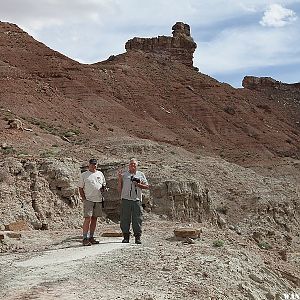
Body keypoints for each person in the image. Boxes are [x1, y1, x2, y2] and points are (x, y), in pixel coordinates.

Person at [118, 158, 149, 244]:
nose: (133, 165)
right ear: (129, 165)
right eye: (131, 164)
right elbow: (119, 189)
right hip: (126, 199)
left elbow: (147, 186)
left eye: (134, 164)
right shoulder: (124, 175)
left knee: (137, 219)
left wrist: (138, 184)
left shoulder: (141, 174)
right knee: (125, 219)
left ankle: (137, 237)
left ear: (137, 166)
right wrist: (119, 179)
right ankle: (126, 237)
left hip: (137, 200)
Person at [78, 158, 106, 246]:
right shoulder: (84, 175)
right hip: (89, 200)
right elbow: (80, 188)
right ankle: (85, 238)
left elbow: (103, 184)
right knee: (88, 218)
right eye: (92, 164)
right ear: (89, 165)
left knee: (94, 218)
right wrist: (84, 198)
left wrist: (103, 189)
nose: (94, 166)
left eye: (95, 164)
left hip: (98, 199)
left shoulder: (100, 174)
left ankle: (91, 237)